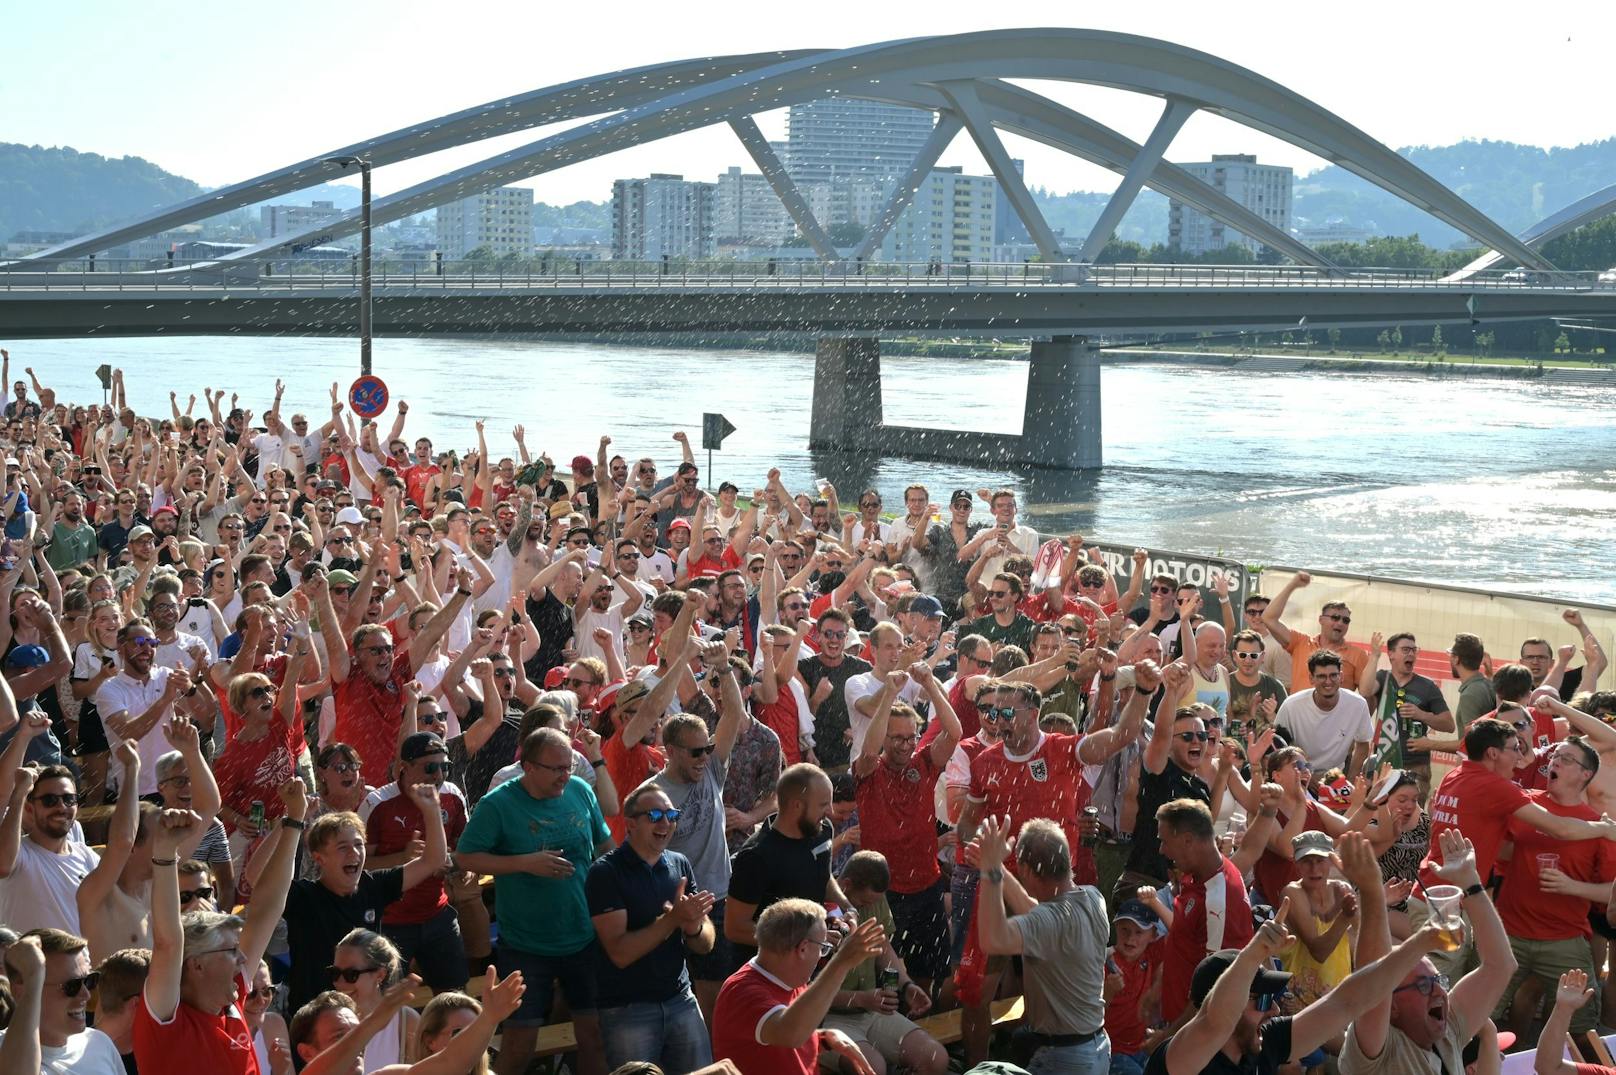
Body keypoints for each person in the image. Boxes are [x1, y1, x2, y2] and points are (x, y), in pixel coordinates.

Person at [1147, 887, 1457, 1075]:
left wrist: (1422, 942)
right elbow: (1215, 1021)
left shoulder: (1265, 1044)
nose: (1274, 1011)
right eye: (1264, 1000)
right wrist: (1253, 954)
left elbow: (1347, 1002)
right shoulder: (1182, 1058)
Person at [454, 728, 612, 1075]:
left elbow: (604, 847)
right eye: (556, 768)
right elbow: (465, 857)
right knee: (519, 1044)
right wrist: (523, 863)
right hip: (527, 945)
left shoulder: (580, 791)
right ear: (528, 766)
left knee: (594, 1037)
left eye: (568, 767)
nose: (564, 776)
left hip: (583, 938)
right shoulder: (499, 804)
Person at [1414, 717, 1616, 978]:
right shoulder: (1496, 788)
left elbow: (1498, 846)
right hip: (1446, 901)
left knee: (1449, 981)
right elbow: (1560, 828)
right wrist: (1605, 828)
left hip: (1438, 893)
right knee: (1434, 984)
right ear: (1493, 753)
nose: (1521, 757)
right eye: (1515, 748)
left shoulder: (1456, 774)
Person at [136, 780, 305, 1074]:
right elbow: (168, 942)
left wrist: (294, 819)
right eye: (231, 951)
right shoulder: (167, 1015)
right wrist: (164, 853)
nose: (243, 960)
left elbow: (267, 907)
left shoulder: (230, 993)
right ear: (196, 964)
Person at [1340, 829, 1520, 1075]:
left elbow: (1501, 966)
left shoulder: (1449, 1031)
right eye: (1424, 985)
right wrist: (1372, 891)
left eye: (1438, 980)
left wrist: (1470, 882)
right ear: (1392, 1007)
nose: (1440, 991)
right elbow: (1372, 985)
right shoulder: (1376, 1053)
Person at [280, 781, 448, 1013]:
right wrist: (293, 821)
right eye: (342, 847)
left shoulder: (373, 885)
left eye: (359, 845)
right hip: (315, 1017)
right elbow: (256, 876)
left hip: (364, 1014)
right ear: (319, 859)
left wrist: (431, 811)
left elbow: (433, 860)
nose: (354, 853)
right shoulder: (303, 896)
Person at [586, 783, 717, 1074]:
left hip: (680, 1000)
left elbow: (705, 944)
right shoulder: (605, 873)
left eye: (671, 814)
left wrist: (694, 927)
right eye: (655, 815)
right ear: (630, 823)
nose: (666, 823)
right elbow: (619, 952)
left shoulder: (679, 864)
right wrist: (672, 920)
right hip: (627, 1010)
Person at [647, 637, 745, 1021]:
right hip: (672, 907)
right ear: (670, 750)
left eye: (707, 748)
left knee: (716, 992)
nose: (704, 757)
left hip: (719, 898)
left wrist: (723, 670)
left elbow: (734, 716)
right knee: (679, 995)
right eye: (694, 751)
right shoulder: (652, 796)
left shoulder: (712, 770)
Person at [1490, 735, 1614, 1037]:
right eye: (1556, 755)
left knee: (1581, 1030)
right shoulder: (1525, 806)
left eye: (1567, 759)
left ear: (1586, 775)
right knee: (1479, 1015)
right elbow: (1498, 851)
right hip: (1509, 934)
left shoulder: (1599, 826)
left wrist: (1572, 886)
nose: (1555, 761)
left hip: (1565, 939)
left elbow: (1612, 891)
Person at [851, 660, 962, 995]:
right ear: (884, 736)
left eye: (909, 737)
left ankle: (921, 1022)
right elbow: (869, 749)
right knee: (890, 977)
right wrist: (888, 694)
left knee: (931, 971)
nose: (903, 744)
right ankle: (894, 1027)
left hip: (926, 887)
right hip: (884, 892)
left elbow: (954, 733)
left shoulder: (923, 764)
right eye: (895, 737)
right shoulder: (868, 772)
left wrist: (929, 684)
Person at [975, 814, 1111, 1075]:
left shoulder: (1048, 922)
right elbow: (1036, 912)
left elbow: (992, 938)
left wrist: (990, 871)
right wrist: (998, 867)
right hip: (1096, 1048)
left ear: (1026, 870)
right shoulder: (1093, 898)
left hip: (1065, 1060)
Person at [710, 899, 886, 1075]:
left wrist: (823, 1038)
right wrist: (841, 963)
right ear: (803, 949)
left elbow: (781, 1034)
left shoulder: (788, 978)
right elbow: (789, 1033)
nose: (821, 956)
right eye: (823, 947)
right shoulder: (743, 992)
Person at [358, 731, 471, 996]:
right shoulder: (377, 803)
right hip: (390, 921)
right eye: (430, 767)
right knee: (384, 1002)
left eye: (445, 767)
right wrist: (401, 859)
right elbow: (356, 868)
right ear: (404, 767)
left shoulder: (452, 795)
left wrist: (459, 867)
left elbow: (465, 849)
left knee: (455, 996)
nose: (439, 775)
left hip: (437, 914)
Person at [820, 851, 946, 1075]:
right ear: (846, 886)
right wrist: (862, 999)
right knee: (872, 1070)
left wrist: (907, 986)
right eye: (864, 901)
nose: (868, 906)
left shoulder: (874, 899)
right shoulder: (821, 912)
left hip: (870, 1010)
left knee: (935, 1058)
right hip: (829, 1017)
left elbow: (883, 947)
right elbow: (808, 992)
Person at [726, 764, 855, 953]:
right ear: (797, 805)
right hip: (767, 970)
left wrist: (847, 908)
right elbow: (735, 928)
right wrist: (803, 939)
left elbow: (823, 876)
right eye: (822, 805)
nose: (830, 812)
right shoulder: (756, 856)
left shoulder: (823, 830)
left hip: (808, 964)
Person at [0, 930, 126, 1075]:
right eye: (71, 986)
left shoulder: (99, 1043)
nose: (86, 995)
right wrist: (33, 976)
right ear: (20, 990)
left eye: (88, 981)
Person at [326, 928, 420, 1072]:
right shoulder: (324, 1020)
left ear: (380, 975)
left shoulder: (406, 1021)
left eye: (351, 974)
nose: (340, 982)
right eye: (335, 973)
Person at [1259, 571, 1370, 691]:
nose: (1340, 623)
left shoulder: (1358, 655)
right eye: (1335, 617)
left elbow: (1368, 694)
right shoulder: (1300, 642)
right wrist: (1292, 586)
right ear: (1321, 620)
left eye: (1346, 620)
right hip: (1300, 709)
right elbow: (1268, 618)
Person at [1273, 650, 1374, 777]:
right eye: (1321, 676)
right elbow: (1278, 747)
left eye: (1333, 675)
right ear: (1311, 678)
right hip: (1298, 776)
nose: (1328, 681)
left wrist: (1350, 780)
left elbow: (1363, 744)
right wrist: (1305, 774)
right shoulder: (1291, 705)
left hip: (1336, 778)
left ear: (1341, 677)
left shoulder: (1358, 704)